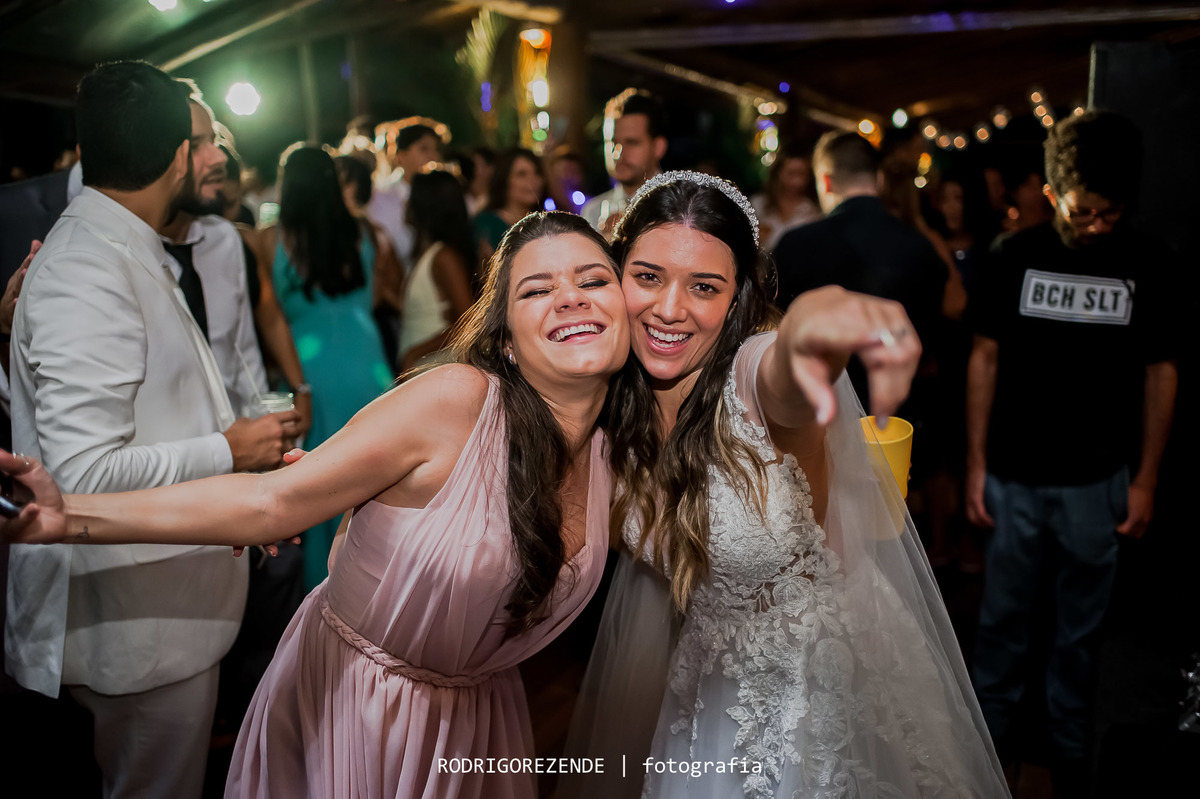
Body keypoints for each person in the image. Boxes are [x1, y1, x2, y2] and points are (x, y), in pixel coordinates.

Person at [3, 211, 630, 799]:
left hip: (477, 720)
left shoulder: (615, 457)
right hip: (357, 705)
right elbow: (269, 500)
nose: (570, 296)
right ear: (509, 341)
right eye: (536, 289)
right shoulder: (456, 402)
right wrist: (69, 517)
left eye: (592, 279)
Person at [562, 171, 1007, 798]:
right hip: (703, 691)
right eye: (648, 276)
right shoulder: (612, 401)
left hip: (822, 702)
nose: (669, 309)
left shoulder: (751, 372)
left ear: (739, 296)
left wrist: (823, 321)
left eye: (705, 287)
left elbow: (791, 369)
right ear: (617, 273)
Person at [5, 60, 298, 799]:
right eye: (200, 141)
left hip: (161, 600)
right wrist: (229, 452)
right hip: (138, 628)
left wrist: (236, 499)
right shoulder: (89, 266)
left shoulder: (124, 242)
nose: (213, 156)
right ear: (173, 156)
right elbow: (79, 478)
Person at [966, 110, 1178, 794]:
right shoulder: (1012, 255)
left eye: (1111, 213)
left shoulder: (1150, 262)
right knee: (1000, 630)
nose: (1098, 225)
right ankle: (986, 766)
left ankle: (1064, 772)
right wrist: (974, 462)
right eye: (1085, 212)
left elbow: (1161, 372)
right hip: (1015, 479)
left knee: (1079, 643)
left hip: (1098, 482)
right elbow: (985, 358)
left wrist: (1145, 479)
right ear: (1054, 195)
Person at [265, 143, 401, 589]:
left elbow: (271, 319)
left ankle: (328, 598)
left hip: (312, 370)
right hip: (369, 362)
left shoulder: (271, 238)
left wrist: (295, 384)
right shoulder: (364, 231)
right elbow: (383, 293)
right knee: (379, 481)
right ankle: (387, 588)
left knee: (319, 486)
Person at [398, 170, 476, 369]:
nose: (405, 203)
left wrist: (415, 353)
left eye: (410, 197)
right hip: (425, 366)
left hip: (437, 365)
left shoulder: (443, 257)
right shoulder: (427, 254)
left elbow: (467, 321)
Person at [581, 89, 667, 238]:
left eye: (632, 142)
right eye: (612, 143)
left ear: (658, 147)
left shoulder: (679, 208)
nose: (618, 153)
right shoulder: (593, 212)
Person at [472, 147, 545, 264]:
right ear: (504, 180)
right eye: (522, 174)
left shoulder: (545, 222)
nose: (533, 180)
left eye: (537, 173)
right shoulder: (487, 224)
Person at [749, 150, 820, 251]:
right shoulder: (758, 204)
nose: (796, 182)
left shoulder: (811, 209)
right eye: (791, 174)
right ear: (778, 173)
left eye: (802, 174)